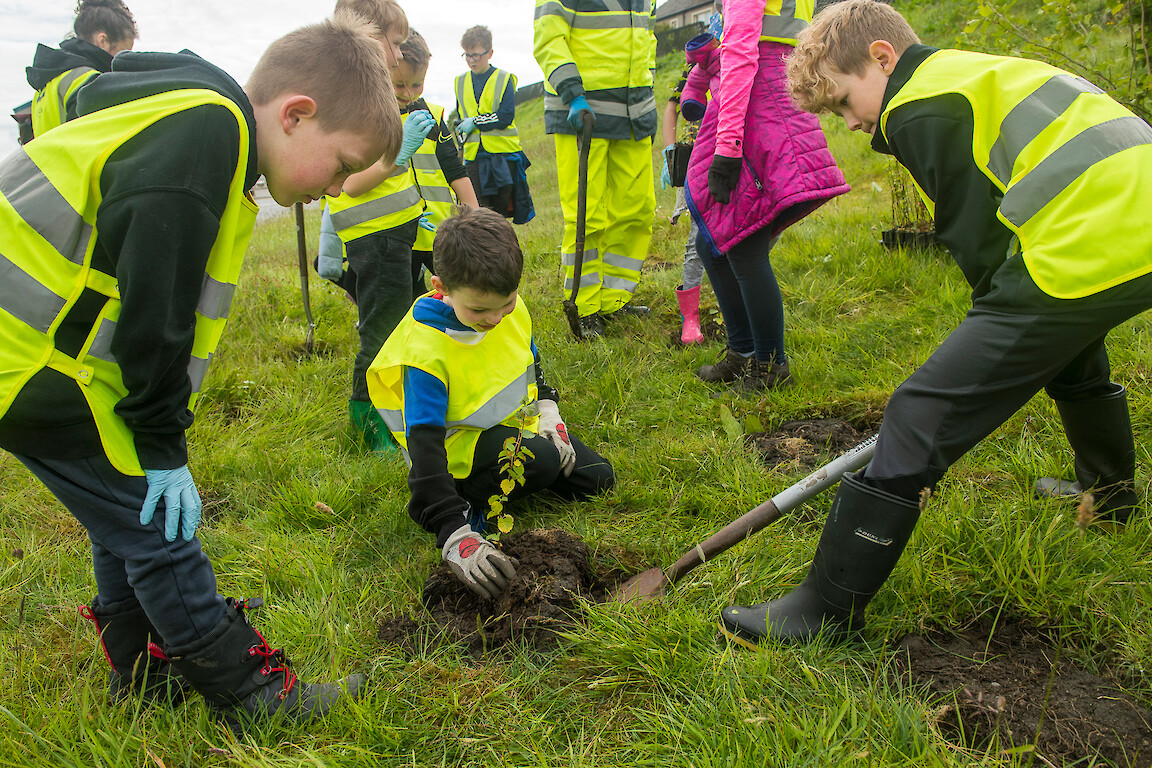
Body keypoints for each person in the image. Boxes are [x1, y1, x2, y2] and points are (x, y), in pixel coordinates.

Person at [0, 13, 400, 724]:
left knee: (121, 521)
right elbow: (157, 306)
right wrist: (159, 442)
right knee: (156, 529)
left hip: (36, 355)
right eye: (340, 163)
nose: (337, 188)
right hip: (30, 359)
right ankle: (255, 699)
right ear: (296, 114)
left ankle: (142, 679)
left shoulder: (198, 120)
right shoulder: (206, 132)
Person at [721, 0, 1152, 649]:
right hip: (1129, 219)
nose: (854, 123)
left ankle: (826, 607)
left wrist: (984, 355)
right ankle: (1112, 498)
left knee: (921, 410)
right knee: (1070, 351)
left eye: (843, 103)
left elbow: (979, 243)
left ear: (882, 58)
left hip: (1098, 234)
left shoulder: (920, 105)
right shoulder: (967, 73)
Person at [367, 207, 615, 599]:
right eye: (480, 310)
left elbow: (531, 368)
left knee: (598, 477)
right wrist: (453, 531)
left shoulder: (508, 311)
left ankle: (529, 470)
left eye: (507, 303)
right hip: (455, 455)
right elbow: (425, 450)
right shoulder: (426, 352)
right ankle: (471, 503)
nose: (496, 318)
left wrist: (551, 414)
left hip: (512, 430)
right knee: (546, 462)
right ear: (441, 286)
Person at [686, 0, 849, 391]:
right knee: (713, 245)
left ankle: (771, 364)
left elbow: (741, 54)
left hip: (756, 105)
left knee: (743, 244)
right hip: (773, 94)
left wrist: (727, 147)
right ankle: (743, 352)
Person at [325, 0, 436, 453]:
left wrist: (415, 209)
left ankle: (400, 411)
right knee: (380, 331)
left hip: (399, 233)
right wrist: (397, 156)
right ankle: (369, 426)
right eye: (391, 43)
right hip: (374, 238)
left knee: (404, 325)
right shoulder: (354, 104)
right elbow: (348, 185)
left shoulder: (379, 101)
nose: (394, 56)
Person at [533, 0, 657, 338]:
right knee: (586, 217)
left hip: (633, 116)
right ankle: (584, 306)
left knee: (637, 209)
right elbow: (548, 39)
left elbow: (646, 43)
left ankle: (615, 298)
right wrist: (572, 94)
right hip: (583, 115)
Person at [660, 12, 724, 346]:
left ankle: (734, 307)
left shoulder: (745, 58)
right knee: (697, 238)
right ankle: (691, 319)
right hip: (700, 157)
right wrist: (670, 150)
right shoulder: (698, 64)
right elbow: (672, 105)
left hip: (736, 153)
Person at [454, 25, 534, 223]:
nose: (471, 60)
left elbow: (505, 116)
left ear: (490, 53)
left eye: (477, 55)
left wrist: (476, 122)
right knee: (476, 211)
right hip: (474, 159)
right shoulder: (459, 81)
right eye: (467, 55)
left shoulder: (505, 78)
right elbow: (460, 118)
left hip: (502, 158)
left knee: (499, 213)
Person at [25, 0, 137, 138]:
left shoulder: (48, 83)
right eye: (123, 51)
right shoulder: (88, 82)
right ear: (102, 41)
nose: (124, 59)